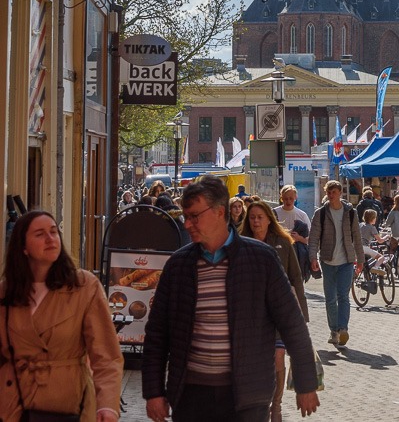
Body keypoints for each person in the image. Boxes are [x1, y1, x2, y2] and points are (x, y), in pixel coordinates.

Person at [142, 176, 319, 422]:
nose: (188, 224)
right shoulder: (179, 265)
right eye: (186, 217)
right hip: (190, 397)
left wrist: (306, 384)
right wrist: (153, 392)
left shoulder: (261, 259)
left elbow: (292, 324)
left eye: (195, 216)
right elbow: (157, 334)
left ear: (219, 212)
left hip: (247, 397)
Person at [0, 210, 123, 422]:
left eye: (54, 232)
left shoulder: (83, 287)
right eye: (39, 234)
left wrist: (108, 406)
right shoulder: (6, 292)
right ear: (23, 247)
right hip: (14, 404)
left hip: (68, 404)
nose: (50, 239)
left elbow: (106, 354)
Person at [243, 200, 308, 422]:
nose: (256, 221)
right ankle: (258, 403)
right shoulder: (242, 243)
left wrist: (301, 314)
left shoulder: (282, 242)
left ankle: (276, 406)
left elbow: (295, 277)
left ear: (269, 219)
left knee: (278, 356)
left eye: (260, 217)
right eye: (252, 217)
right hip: (251, 315)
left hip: (279, 312)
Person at [308, 180, 364, 348]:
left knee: (343, 296)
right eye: (329, 192)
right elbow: (313, 239)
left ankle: (343, 329)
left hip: (346, 260)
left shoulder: (350, 213)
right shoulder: (321, 214)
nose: (331, 195)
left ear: (340, 193)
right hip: (327, 261)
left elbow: (357, 237)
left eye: (334, 192)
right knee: (330, 298)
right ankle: (334, 331)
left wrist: (360, 260)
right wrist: (313, 258)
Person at [274, 186, 311, 281]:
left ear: (295, 198)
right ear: (281, 198)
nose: (288, 201)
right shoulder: (274, 213)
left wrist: (299, 238)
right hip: (279, 254)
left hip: (297, 256)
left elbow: (311, 239)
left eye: (291, 198)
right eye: (285, 198)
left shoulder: (302, 215)